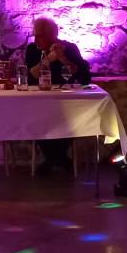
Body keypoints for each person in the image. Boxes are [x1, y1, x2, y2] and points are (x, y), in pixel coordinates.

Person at [24, 17, 92, 175]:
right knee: (35, 120)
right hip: (40, 102)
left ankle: (52, 159)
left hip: (66, 101)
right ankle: (59, 159)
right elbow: (30, 77)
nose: (35, 39)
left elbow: (84, 77)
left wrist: (62, 58)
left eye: (39, 35)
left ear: (51, 35)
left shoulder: (69, 48)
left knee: (70, 119)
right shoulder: (32, 49)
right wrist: (48, 59)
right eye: (34, 35)